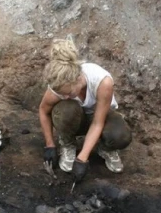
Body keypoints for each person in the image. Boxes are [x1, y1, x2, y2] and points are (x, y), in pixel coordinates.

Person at [38, 38, 132, 183]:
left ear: (77, 79)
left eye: (69, 93)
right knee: (65, 110)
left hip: (99, 117)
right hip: (75, 119)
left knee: (120, 136)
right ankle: (68, 143)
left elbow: (97, 123)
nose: (65, 96)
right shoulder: (59, 82)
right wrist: (49, 144)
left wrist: (82, 158)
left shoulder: (102, 81)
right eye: (61, 94)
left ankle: (105, 148)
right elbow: (43, 111)